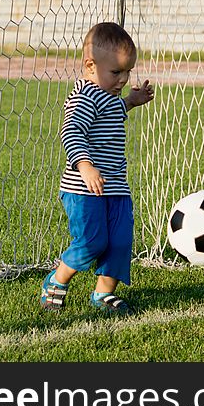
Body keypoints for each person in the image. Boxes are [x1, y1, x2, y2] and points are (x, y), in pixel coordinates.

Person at [40, 21, 154, 314]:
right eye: (116, 72)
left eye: (127, 72)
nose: (122, 78)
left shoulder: (110, 97)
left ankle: (103, 293)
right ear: (90, 66)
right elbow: (72, 131)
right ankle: (58, 279)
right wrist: (86, 166)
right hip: (83, 187)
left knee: (118, 242)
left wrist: (132, 100)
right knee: (92, 241)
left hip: (115, 187)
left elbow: (114, 111)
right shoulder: (84, 96)